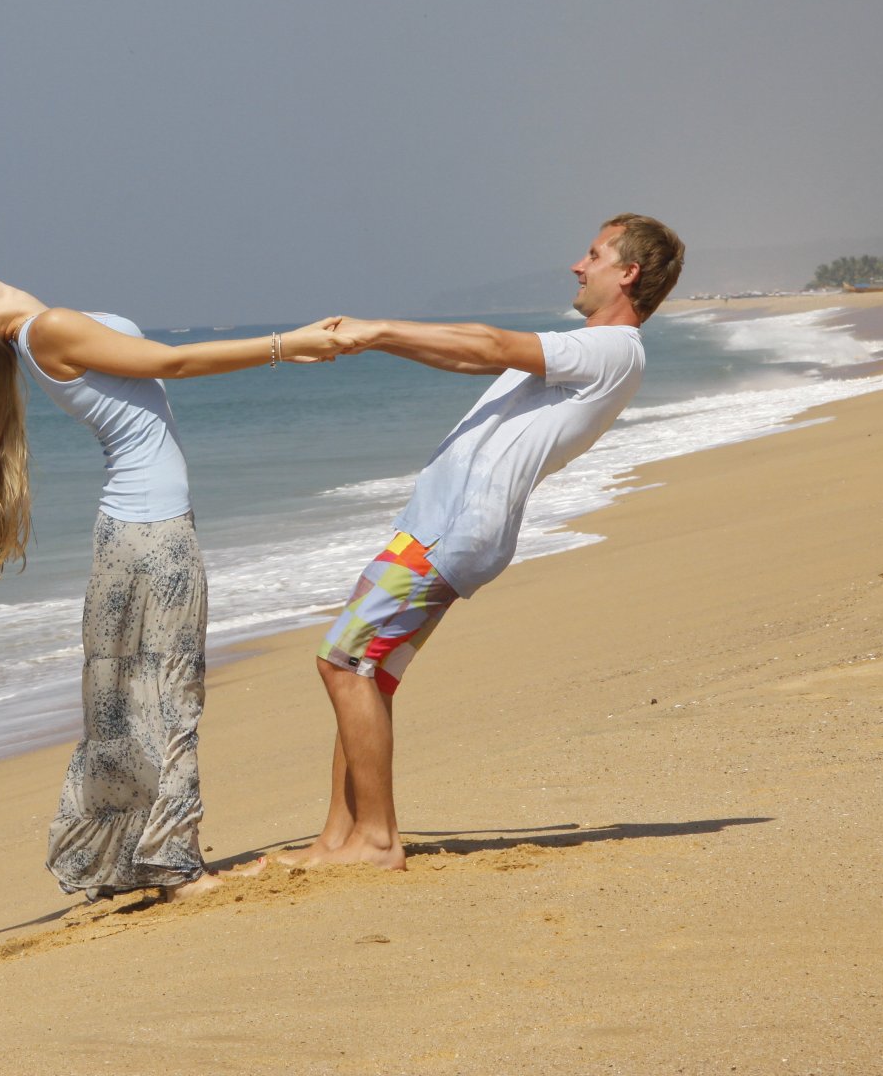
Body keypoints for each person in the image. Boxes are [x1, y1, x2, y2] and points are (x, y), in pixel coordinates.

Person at [0, 265, 351, 900]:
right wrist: (284, 345)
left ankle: (132, 859)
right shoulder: (47, 331)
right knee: (170, 694)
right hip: (153, 536)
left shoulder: (38, 331)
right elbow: (174, 361)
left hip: (128, 533)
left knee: (128, 703)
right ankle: (176, 869)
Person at [287, 214, 686, 871]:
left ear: (628, 273)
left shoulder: (612, 350)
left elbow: (488, 342)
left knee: (342, 660)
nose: (577, 266)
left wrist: (379, 328)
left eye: (592, 254)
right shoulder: (588, 353)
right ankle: (337, 838)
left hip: (450, 531)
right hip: (441, 527)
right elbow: (466, 354)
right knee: (369, 672)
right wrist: (370, 343)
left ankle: (377, 841)